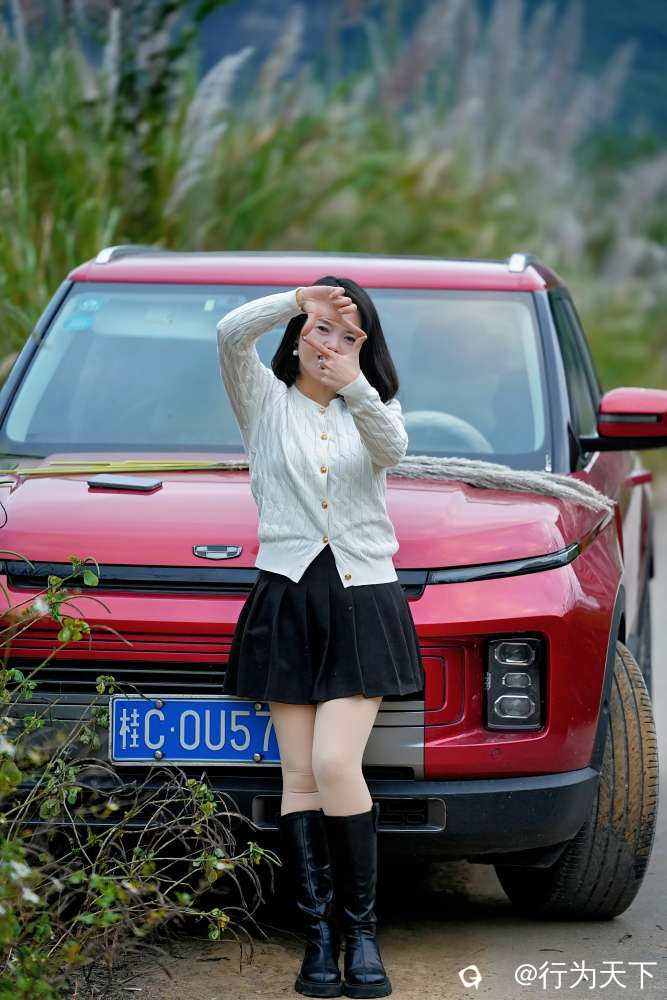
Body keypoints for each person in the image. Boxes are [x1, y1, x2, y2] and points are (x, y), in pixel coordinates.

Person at [216, 277, 425, 999]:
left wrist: (356, 384)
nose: (328, 344)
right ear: (298, 334)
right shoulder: (263, 401)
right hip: (287, 594)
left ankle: (362, 933)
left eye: (346, 334)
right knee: (298, 777)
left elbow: (393, 450)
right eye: (318, 329)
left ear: (364, 347)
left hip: (363, 596)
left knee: (337, 764)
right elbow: (229, 334)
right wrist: (297, 297)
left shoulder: (375, 408)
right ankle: (318, 940)